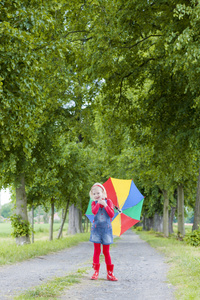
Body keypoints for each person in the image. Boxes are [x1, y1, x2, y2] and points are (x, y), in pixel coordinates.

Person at [89, 182, 118, 281]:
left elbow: (111, 214)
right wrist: (98, 204)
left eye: (98, 193)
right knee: (97, 251)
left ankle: (110, 273)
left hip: (106, 230)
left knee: (106, 251)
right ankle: (95, 272)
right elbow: (94, 212)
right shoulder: (94, 203)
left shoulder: (109, 202)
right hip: (96, 230)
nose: (96, 195)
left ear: (103, 193)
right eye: (94, 194)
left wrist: (105, 204)